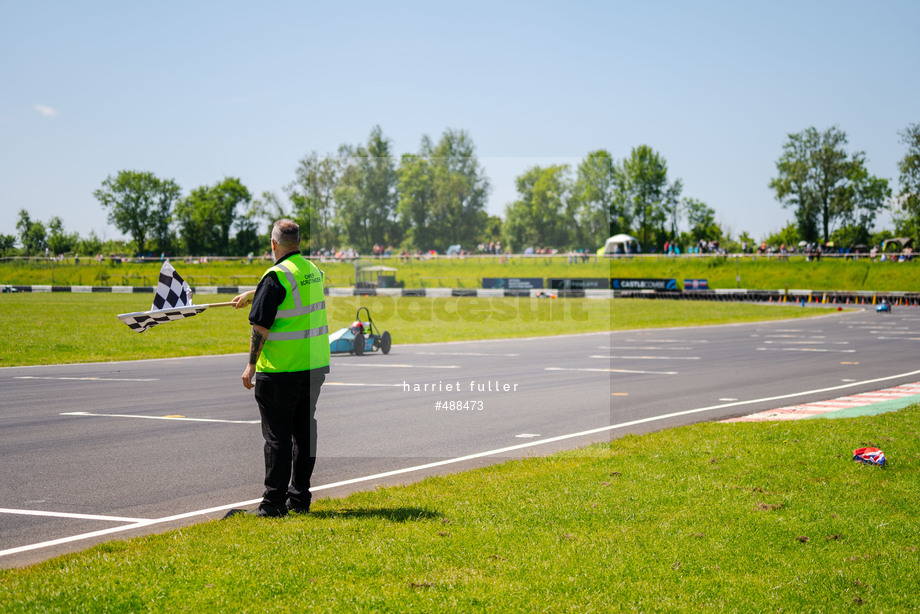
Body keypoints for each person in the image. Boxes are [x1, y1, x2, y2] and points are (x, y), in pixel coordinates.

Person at [232, 219, 330, 517]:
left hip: (280, 371)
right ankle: (299, 499)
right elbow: (289, 290)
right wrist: (256, 292)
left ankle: (273, 504)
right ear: (297, 242)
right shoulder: (312, 271)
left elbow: (260, 327)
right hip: (312, 368)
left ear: (273, 244)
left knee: (277, 438)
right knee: (303, 434)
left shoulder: (274, 277)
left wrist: (251, 365)